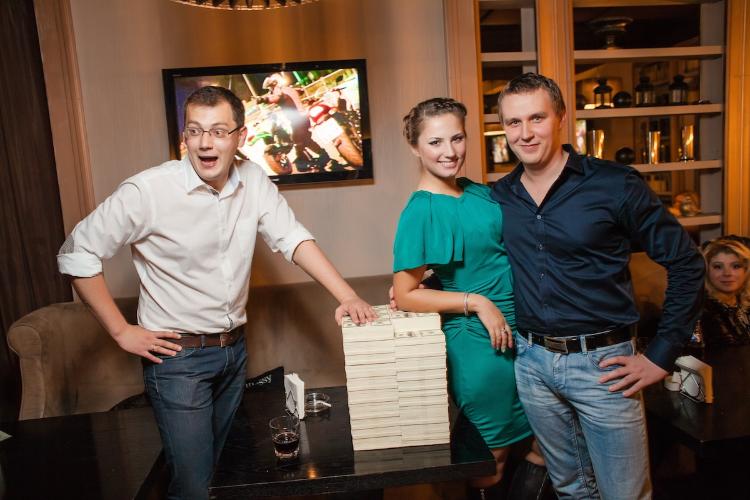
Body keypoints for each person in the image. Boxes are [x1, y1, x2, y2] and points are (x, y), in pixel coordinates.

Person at [57, 85, 375, 500]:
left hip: (234, 352)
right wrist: (121, 331)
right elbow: (77, 253)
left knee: (224, 477)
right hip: (177, 361)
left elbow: (292, 238)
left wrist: (347, 296)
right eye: (195, 131)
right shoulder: (147, 191)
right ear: (184, 137)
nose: (205, 143)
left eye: (219, 131)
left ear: (240, 136)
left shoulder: (253, 179)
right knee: (194, 487)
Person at [492, 73, 705, 499]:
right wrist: (422, 282)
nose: (525, 133)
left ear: (561, 117)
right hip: (531, 363)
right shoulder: (499, 196)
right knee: (571, 490)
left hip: (605, 367)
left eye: (537, 118)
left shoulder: (613, 184)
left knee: (625, 495)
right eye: (514, 122)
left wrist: (661, 355)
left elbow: (686, 263)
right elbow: (481, 261)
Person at [392, 98, 551, 500]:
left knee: (548, 442)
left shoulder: (479, 193)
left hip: (526, 332)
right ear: (414, 147)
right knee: (491, 458)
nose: (450, 151)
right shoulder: (420, 212)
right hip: (479, 341)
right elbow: (406, 296)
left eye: (457, 138)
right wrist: (477, 302)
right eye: (435, 142)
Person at [693, 236, 750, 347]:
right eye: (718, 267)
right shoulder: (700, 311)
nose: (727, 273)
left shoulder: (744, 302)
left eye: (736, 266)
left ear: (746, 270)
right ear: (706, 271)